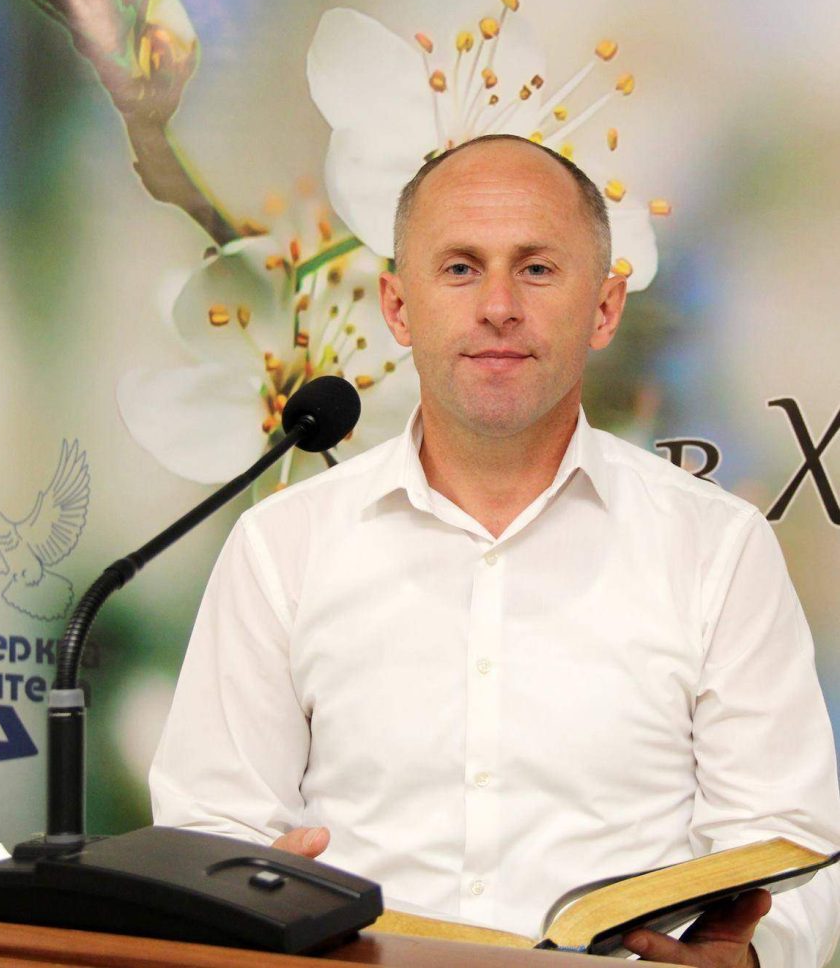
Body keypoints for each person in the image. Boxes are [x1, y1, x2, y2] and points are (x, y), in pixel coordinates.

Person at [150, 135, 840, 967]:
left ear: (605, 309)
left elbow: (788, 842)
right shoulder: (282, 544)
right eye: (460, 268)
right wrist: (244, 893)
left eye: (538, 269)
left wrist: (754, 954)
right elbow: (211, 824)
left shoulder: (718, 548)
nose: (499, 306)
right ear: (397, 308)